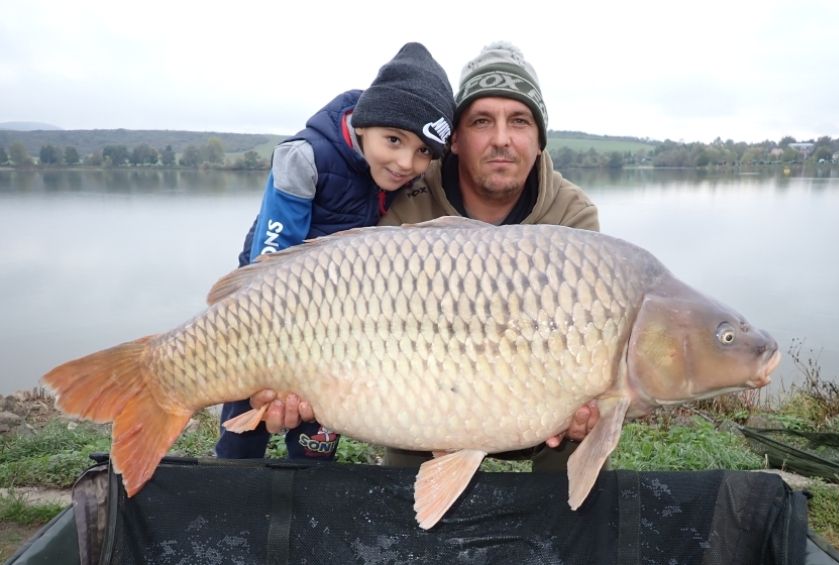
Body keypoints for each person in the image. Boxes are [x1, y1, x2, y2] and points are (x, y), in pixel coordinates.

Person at [245, 42, 602, 471]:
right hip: (422, 402)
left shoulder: (573, 218)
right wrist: (304, 385)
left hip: (542, 408)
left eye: (520, 121)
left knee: (588, 428)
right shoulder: (408, 192)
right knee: (405, 495)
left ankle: (559, 525)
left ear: (540, 138)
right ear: (454, 139)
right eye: (482, 121)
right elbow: (348, 320)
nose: (502, 139)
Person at [215, 42, 456, 461]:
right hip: (262, 305)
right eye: (394, 140)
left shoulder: (391, 175)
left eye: (422, 153)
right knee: (245, 416)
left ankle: (308, 493)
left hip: (335, 321)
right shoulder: (304, 157)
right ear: (364, 125)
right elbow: (270, 255)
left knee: (317, 436)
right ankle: (229, 480)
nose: (404, 163)